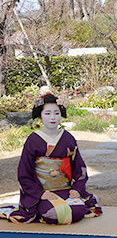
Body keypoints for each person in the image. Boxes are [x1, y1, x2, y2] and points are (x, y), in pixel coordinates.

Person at [0, 93, 101, 224]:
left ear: (61, 115)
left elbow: (79, 167)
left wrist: (76, 189)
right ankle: (37, 208)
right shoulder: (33, 140)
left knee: (77, 212)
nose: (52, 117)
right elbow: (24, 173)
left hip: (65, 190)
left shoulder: (68, 138)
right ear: (40, 116)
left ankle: (78, 201)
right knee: (53, 213)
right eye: (47, 113)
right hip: (41, 193)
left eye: (56, 113)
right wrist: (40, 194)